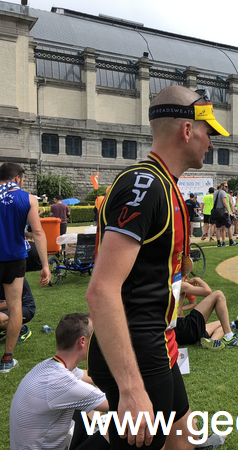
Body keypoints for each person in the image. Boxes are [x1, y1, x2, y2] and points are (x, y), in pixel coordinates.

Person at [86, 85, 230, 449]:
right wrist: (131, 388)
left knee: (181, 436)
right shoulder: (146, 185)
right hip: (138, 351)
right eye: (208, 132)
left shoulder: (166, 184)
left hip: (161, 342)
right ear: (187, 130)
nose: (211, 143)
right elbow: (101, 290)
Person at [10, 313, 110, 450]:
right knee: (126, 424)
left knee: (91, 401)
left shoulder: (51, 366)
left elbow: (92, 377)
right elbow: (118, 404)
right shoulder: (61, 382)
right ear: (82, 341)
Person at [0, 162, 50, 373]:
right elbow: (37, 232)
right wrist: (45, 265)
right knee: (15, 307)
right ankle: (7, 359)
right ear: (17, 178)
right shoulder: (28, 199)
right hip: (14, 258)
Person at [175, 275, 238, 349]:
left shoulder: (171, 286)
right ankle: (229, 338)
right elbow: (208, 291)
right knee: (218, 294)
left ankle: (212, 341)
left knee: (223, 323)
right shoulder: (180, 284)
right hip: (182, 328)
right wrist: (198, 280)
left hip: (177, 332)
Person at [0, 278, 35, 343]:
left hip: (23, 307)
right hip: (6, 309)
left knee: (0, 319)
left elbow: (11, 303)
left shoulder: (13, 277)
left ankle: (22, 330)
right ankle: (6, 329)